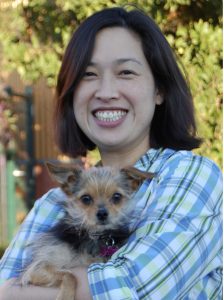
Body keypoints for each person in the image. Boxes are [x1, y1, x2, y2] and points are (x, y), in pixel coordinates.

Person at [0, 6, 222, 300]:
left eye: (125, 72)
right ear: (71, 93)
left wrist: (27, 291)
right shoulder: (51, 204)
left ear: (160, 90)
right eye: (88, 74)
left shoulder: (192, 175)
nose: (106, 91)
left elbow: (133, 287)